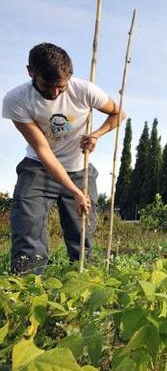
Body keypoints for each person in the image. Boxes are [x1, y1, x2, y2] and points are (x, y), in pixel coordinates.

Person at [1, 43, 127, 275]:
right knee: (28, 231)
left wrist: (96, 134)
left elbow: (119, 113)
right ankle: (27, 293)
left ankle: (81, 289)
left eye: (61, 86)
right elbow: (43, 150)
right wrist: (75, 192)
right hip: (38, 168)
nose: (56, 93)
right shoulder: (16, 100)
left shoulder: (84, 91)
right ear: (31, 72)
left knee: (81, 235)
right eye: (48, 86)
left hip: (79, 169)